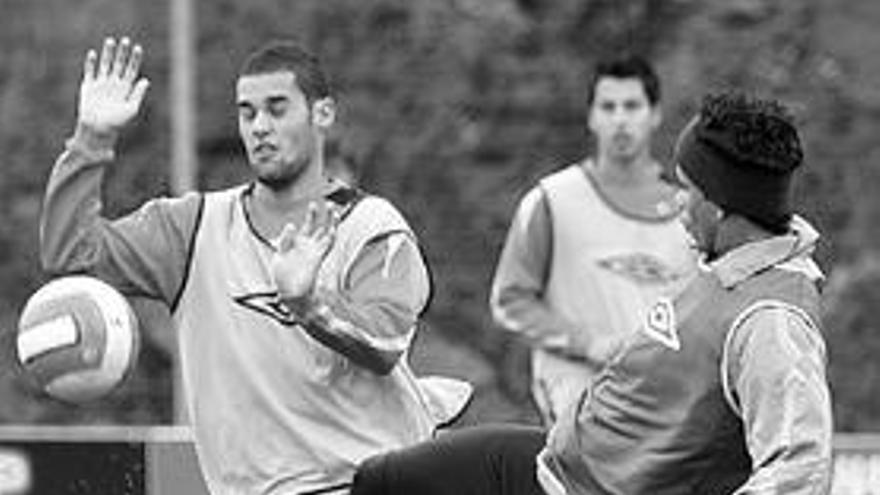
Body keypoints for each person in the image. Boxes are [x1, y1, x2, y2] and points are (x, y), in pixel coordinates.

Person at [39, 37, 469, 495]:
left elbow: (386, 342)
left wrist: (308, 303)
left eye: (277, 109)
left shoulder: (373, 227)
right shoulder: (192, 228)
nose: (259, 126)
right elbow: (70, 255)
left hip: (367, 484)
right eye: (247, 113)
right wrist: (93, 136)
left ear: (322, 114)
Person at [351, 91, 833, 494]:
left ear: (723, 207)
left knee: (385, 484)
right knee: (382, 479)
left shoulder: (772, 321)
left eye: (688, 190)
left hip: (578, 488)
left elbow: (801, 469)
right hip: (557, 461)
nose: (677, 204)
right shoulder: (731, 260)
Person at [490, 55, 696, 424]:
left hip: (664, 414)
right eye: (608, 106)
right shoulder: (551, 201)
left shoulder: (690, 212)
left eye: (632, 106)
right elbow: (510, 301)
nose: (620, 118)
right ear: (591, 116)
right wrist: (589, 344)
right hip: (577, 410)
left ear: (655, 114)